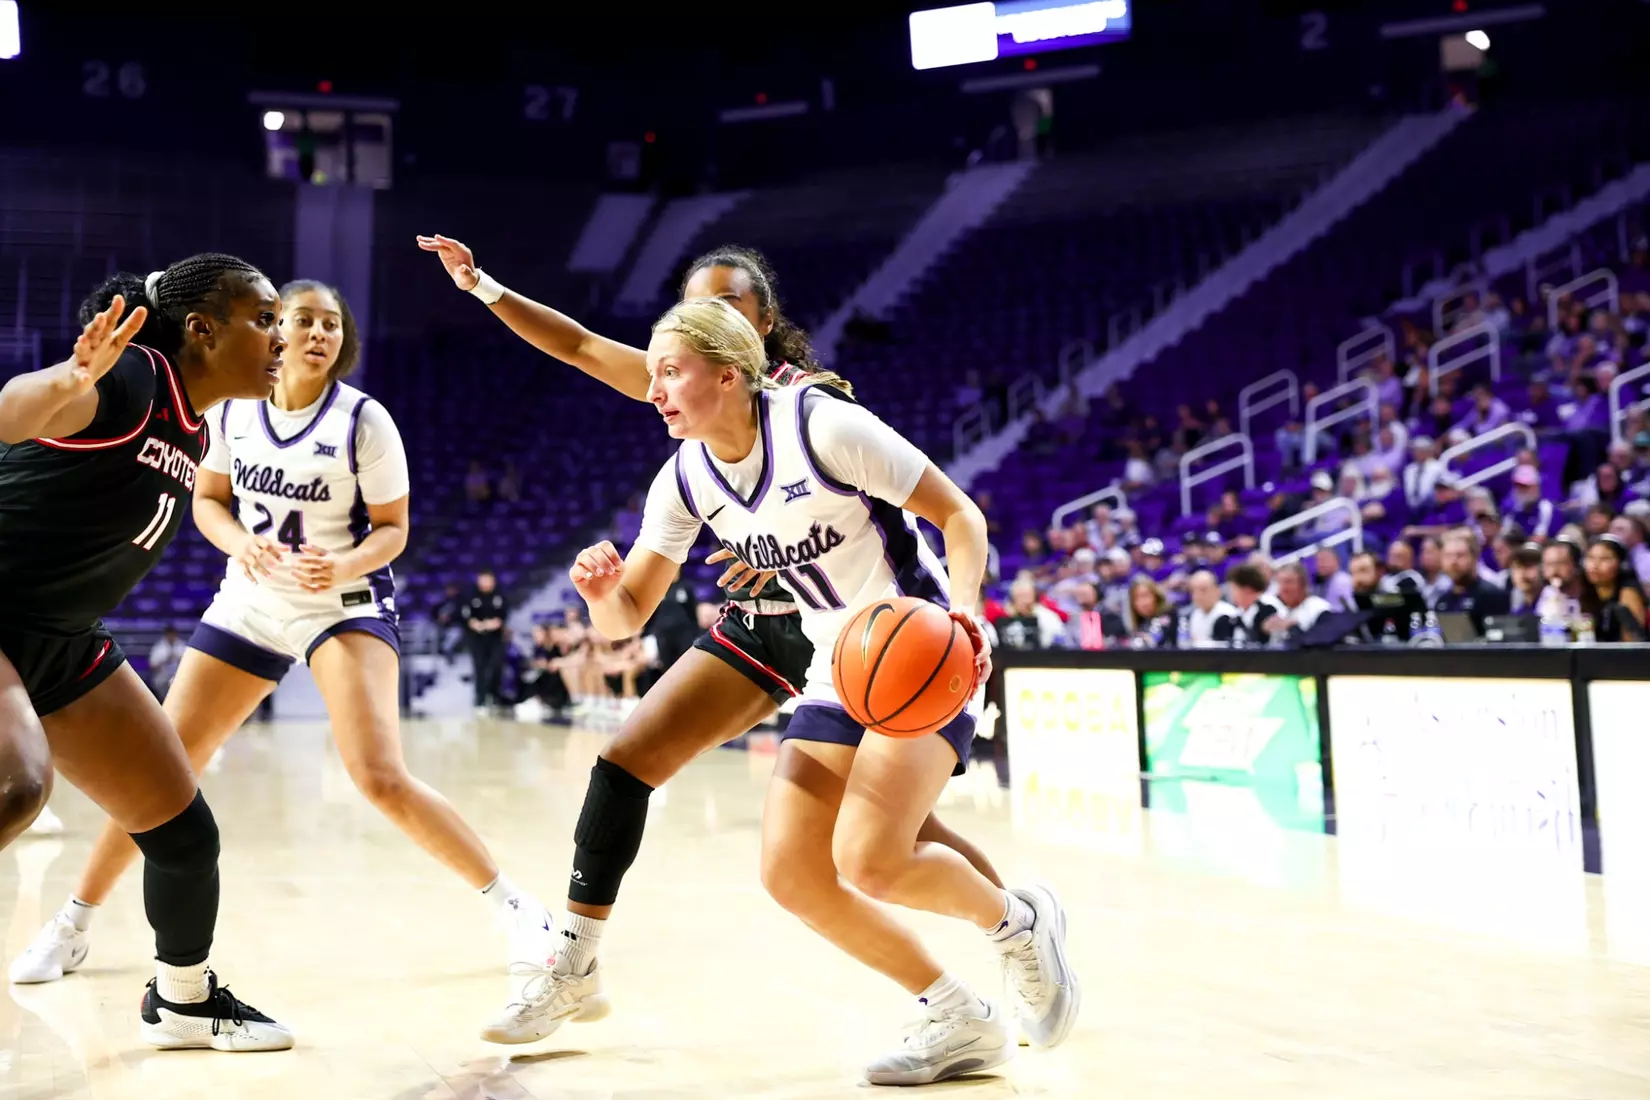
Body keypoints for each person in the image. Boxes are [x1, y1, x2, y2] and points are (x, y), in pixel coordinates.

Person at [415, 235, 1009, 1035]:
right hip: (766, 624)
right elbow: (582, 347)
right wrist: (485, 286)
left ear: (761, 326)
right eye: (696, 305)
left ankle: (1013, 927)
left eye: (727, 304)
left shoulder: (813, 408)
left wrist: (784, 554)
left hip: (856, 622)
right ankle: (576, 963)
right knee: (628, 763)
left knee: (884, 835)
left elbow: (905, 509)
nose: (707, 319)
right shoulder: (684, 397)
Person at [507, 299, 1078, 1084]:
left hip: (924, 650)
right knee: (792, 875)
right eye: (654, 374)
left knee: (870, 860)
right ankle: (958, 1016)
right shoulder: (684, 479)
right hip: (835, 665)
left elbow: (959, 514)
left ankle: (1021, 925)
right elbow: (623, 620)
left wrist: (968, 616)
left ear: (730, 374)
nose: (655, 388)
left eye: (671, 371)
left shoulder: (822, 426)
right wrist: (600, 592)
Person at [9, 279, 555, 994]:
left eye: (332, 323)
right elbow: (208, 503)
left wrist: (345, 562)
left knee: (377, 774)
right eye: (299, 320)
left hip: (342, 602)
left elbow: (394, 530)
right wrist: (240, 543)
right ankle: (74, 923)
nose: (319, 334)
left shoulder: (364, 420)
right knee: (163, 771)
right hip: (253, 598)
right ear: (274, 335)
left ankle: (518, 909)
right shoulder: (233, 414)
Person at [0, 255, 292, 1048]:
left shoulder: (198, 425)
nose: (281, 336)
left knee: (182, 830)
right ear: (201, 328)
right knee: (16, 786)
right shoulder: (131, 378)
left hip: (61, 636)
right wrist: (67, 379)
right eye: (263, 319)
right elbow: (12, 412)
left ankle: (183, 1000)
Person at [465, 569, 509, 713]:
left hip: (496, 638)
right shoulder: (472, 597)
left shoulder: (499, 596)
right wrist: (477, 625)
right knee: (479, 667)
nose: (485, 583)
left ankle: (495, 697)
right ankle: (480, 700)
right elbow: (467, 617)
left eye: (488, 580)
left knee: (496, 665)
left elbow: (502, 617)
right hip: (477, 638)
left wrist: (491, 624)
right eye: (482, 580)